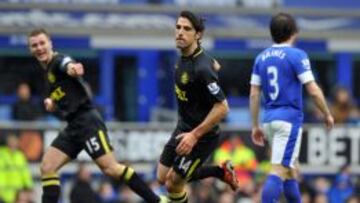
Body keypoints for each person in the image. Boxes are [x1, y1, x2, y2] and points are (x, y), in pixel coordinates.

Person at [27, 28, 168, 203]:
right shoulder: (48, 73)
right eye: (34, 45)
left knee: (111, 169)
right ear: (30, 49)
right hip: (73, 127)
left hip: (87, 122)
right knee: (47, 166)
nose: (39, 48)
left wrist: (73, 68)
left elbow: (67, 65)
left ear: (50, 43)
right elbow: (63, 91)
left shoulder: (58, 61)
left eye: (42, 43)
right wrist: (52, 102)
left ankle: (157, 200)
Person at [249, 13, 334, 203]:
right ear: (294, 32)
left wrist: (255, 125)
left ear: (271, 33)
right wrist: (327, 113)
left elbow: (254, 94)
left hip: (269, 120)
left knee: (290, 170)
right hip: (288, 120)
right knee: (278, 169)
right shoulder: (297, 55)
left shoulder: (260, 58)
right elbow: (312, 90)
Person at [156, 10, 239, 203]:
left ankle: (218, 172)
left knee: (173, 183)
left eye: (186, 29)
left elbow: (223, 107)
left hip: (202, 136)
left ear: (198, 34)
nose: (180, 33)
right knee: (161, 177)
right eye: (178, 27)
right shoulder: (184, 57)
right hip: (183, 127)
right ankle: (220, 171)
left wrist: (194, 136)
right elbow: (212, 64)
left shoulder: (202, 68)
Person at [0, 134, 33, 203]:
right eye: (11, 142)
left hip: (18, 194)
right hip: (4, 193)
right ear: (7, 143)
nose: (13, 144)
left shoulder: (20, 156)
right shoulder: (1, 154)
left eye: (15, 142)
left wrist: (29, 187)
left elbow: (25, 173)